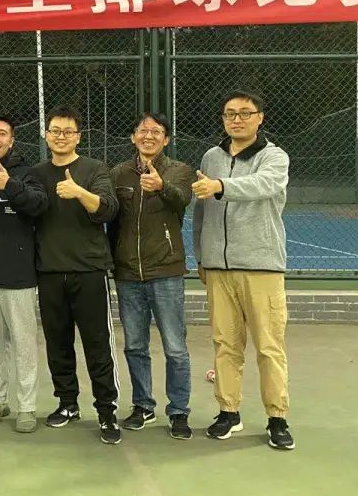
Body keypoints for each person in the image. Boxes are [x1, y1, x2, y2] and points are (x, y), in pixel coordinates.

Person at [193, 91, 294, 450]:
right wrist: (202, 256)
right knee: (225, 344)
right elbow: (201, 211)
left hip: (261, 267)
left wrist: (221, 186)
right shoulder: (211, 157)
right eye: (230, 114)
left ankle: (277, 418)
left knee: (269, 347)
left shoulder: (274, 157)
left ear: (260, 117)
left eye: (245, 113)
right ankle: (228, 412)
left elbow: (264, 185)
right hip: (218, 270)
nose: (237, 119)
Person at [32, 106, 121, 444]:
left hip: (89, 271)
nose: (61, 136)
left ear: (78, 137)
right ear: (46, 135)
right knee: (57, 344)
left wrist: (80, 192)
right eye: (55, 130)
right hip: (50, 272)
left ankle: (107, 411)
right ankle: (67, 403)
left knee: (97, 345)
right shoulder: (37, 173)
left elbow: (108, 209)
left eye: (68, 131)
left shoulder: (94, 168)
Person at [109, 112, 194, 439]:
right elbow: (111, 218)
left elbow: (182, 199)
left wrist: (161, 187)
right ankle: (143, 405)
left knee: (175, 347)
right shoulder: (119, 173)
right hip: (128, 273)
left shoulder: (179, 170)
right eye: (143, 131)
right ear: (133, 137)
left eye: (156, 131)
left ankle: (179, 411)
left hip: (166, 271)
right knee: (135, 345)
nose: (148, 136)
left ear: (166, 139)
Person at [0, 115, 48, 434]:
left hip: (18, 275)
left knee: (23, 342)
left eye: (2, 134)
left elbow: (39, 204)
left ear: (12, 141)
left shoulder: (27, 173)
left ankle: (26, 406)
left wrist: (10, 186)